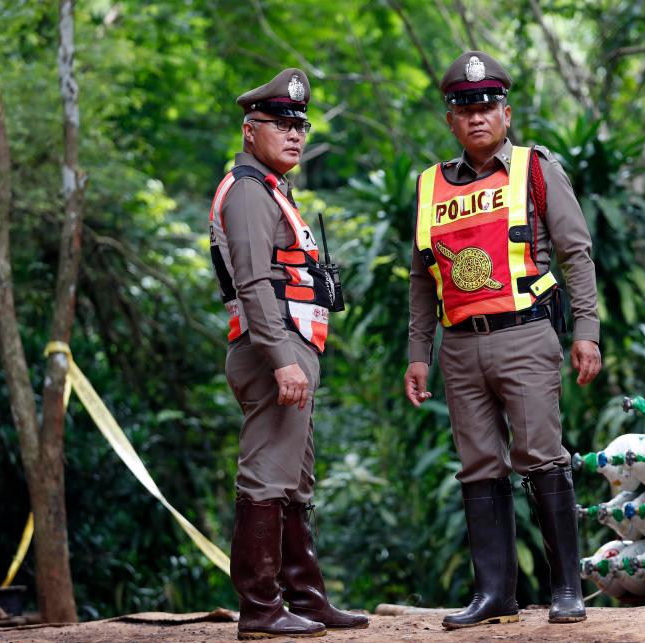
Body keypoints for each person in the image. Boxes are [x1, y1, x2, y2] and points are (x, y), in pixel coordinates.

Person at [404, 51, 602, 629]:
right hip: (460, 346)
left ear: (506, 113)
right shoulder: (430, 186)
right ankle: (496, 595)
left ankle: (568, 589)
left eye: (487, 106)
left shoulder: (536, 170)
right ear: (451, 122)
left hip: (526, 336)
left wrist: (585, 331)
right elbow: (421, 276)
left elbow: (576, 254)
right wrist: (419, 353)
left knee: (541, 456)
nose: (477, 118)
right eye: (465, 110)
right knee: (478, 467)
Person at [208, 68, 368, 640]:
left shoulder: (274, 189)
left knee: (295, 480)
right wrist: (282, 358)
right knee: (267, 477)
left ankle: (304, 596)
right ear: (250, 132)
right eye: (280, 124)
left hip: (291, 347)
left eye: (300, 124)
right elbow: (253, 284)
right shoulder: (250, 191)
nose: (295, 134)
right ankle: (261, 606)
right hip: (270, 350)